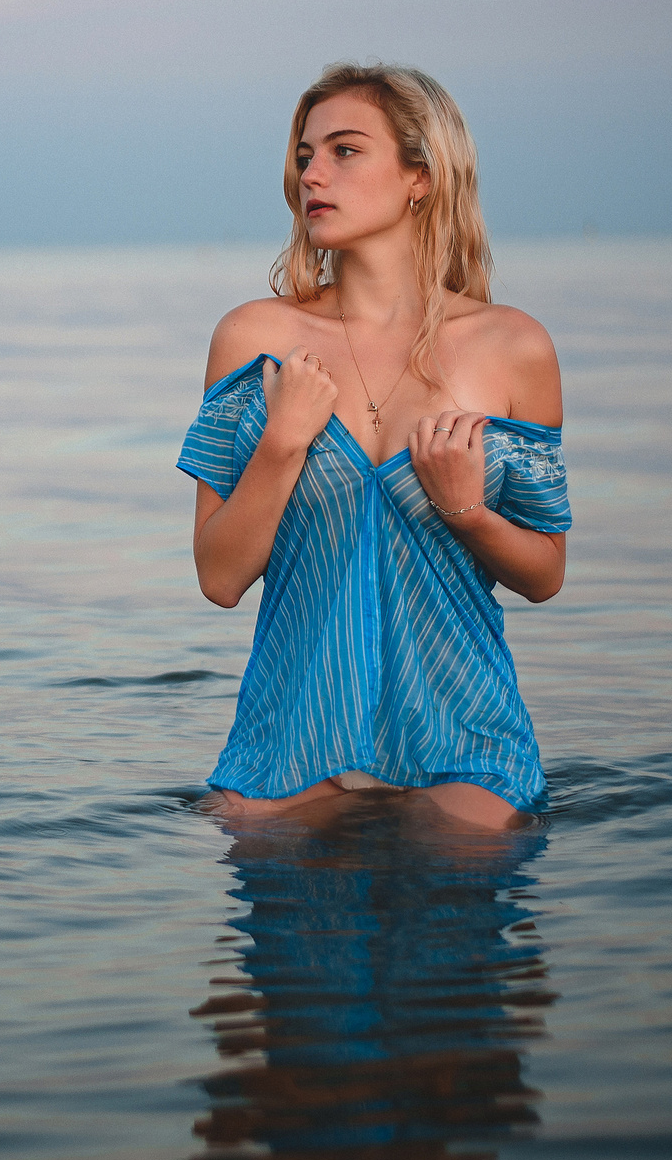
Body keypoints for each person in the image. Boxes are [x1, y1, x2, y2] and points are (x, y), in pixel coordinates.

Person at [180, 62, 569, 831]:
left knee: (462, 873)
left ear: (420, 175)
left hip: (466, 751)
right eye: (303, 156)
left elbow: (547, 574)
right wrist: (283, 443)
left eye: (344, 150)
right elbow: (219, 577)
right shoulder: (254, 340)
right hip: (288, 750)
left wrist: (469, 512)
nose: (311, 174)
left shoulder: (511, 346)